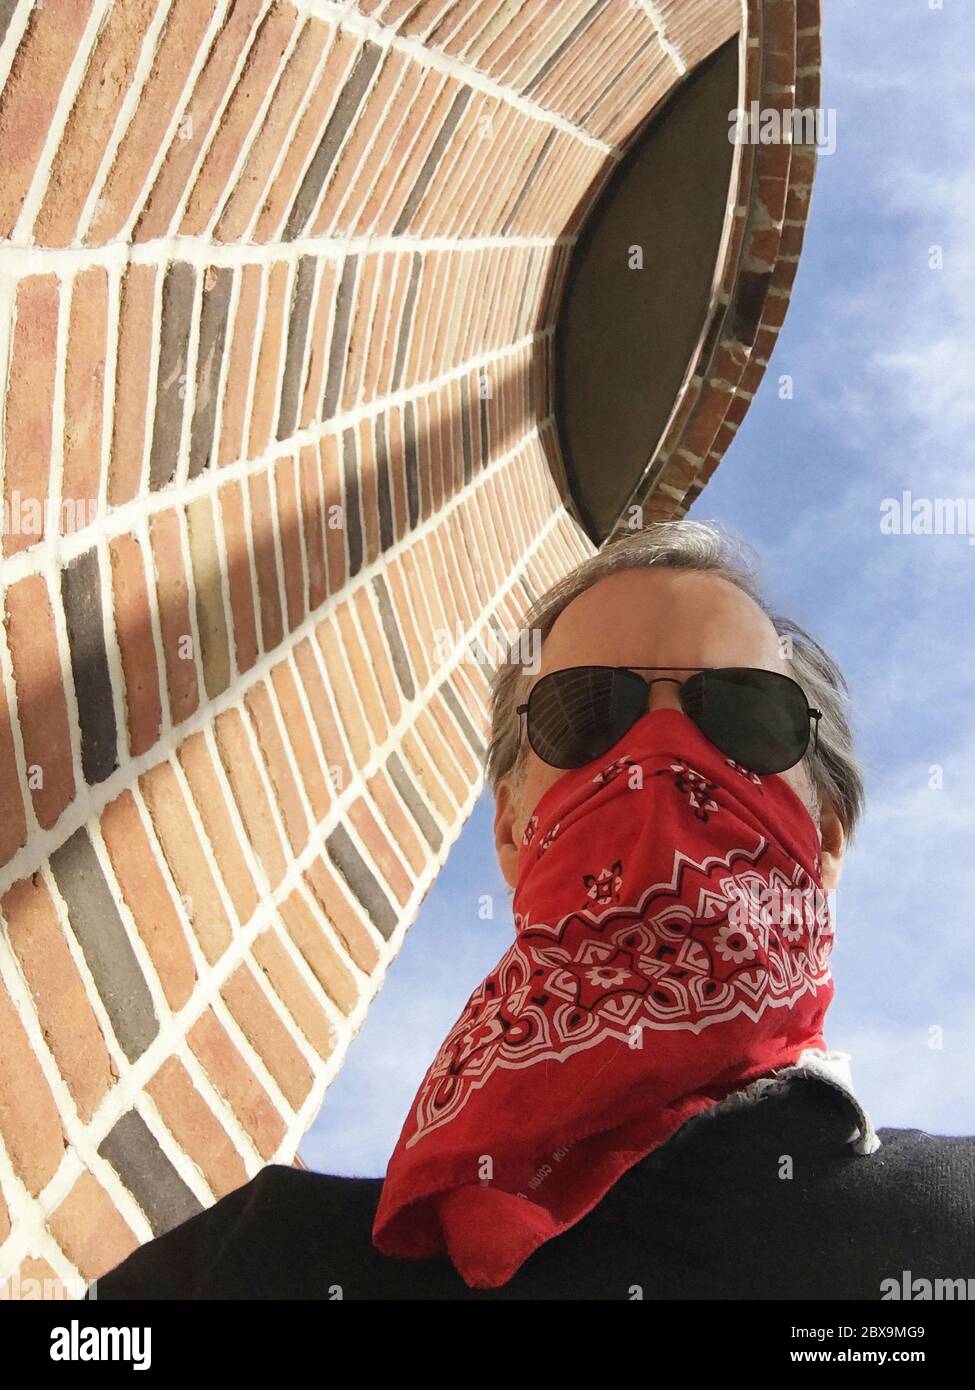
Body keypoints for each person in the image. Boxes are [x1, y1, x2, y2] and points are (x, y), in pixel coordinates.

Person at [88, 522, 975, 1300]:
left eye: (741, 713)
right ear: (512, 831)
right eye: (588, 711)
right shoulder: (252, 1265)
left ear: (822, 836)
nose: (658, 753)